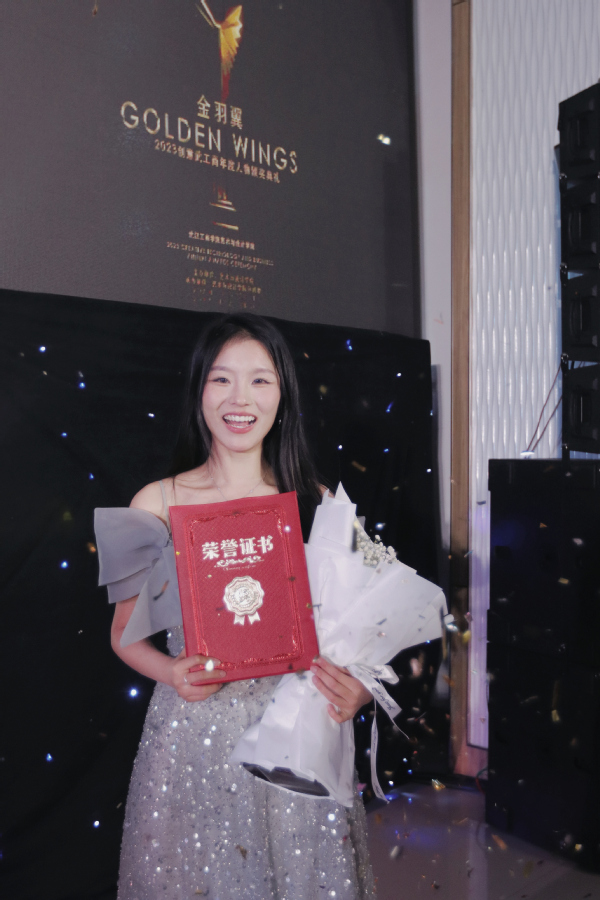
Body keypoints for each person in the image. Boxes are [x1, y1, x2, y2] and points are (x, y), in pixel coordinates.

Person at [98, 313, 375, 899]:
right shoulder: (155, 504)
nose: (239, 399)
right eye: (221, 379)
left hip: (296, 736)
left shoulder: (316, 504)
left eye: (260, 380)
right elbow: (123, 635)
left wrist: (361, 688)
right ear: (199, 391)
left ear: (283, 395)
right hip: (194, 740)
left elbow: (361, 632)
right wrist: (171, 671)